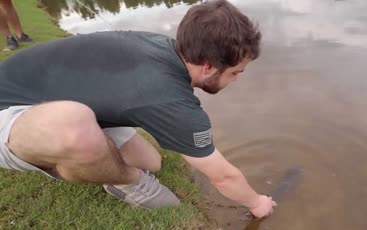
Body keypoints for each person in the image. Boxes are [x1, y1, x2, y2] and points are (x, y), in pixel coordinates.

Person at [0, 0, 276, 218]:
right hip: (10, 112)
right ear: (208, 66)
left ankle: (104, 164)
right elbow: (223, 176)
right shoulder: (170, 100)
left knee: (151, 162)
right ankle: (127, 181)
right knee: (76, 127)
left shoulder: (163, 47)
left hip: (43, 93)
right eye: (236, 72)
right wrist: (257, 202)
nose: (237, 79)